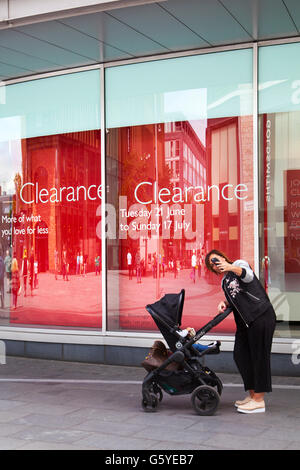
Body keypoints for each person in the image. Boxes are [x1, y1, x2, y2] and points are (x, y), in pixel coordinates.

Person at [205, 249, 276, 414]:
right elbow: (237, 295)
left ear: (222, 257)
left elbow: (248, 276)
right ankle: (252, 396)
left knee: (259, 357)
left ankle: (259, 400)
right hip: (246, 323)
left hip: (260, 315)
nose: (215, 265)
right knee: (241, 355)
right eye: (212, 265)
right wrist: (225, 302)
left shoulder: (238, 264)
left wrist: (229, 266)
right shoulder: (224, 281)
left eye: (216, 260)